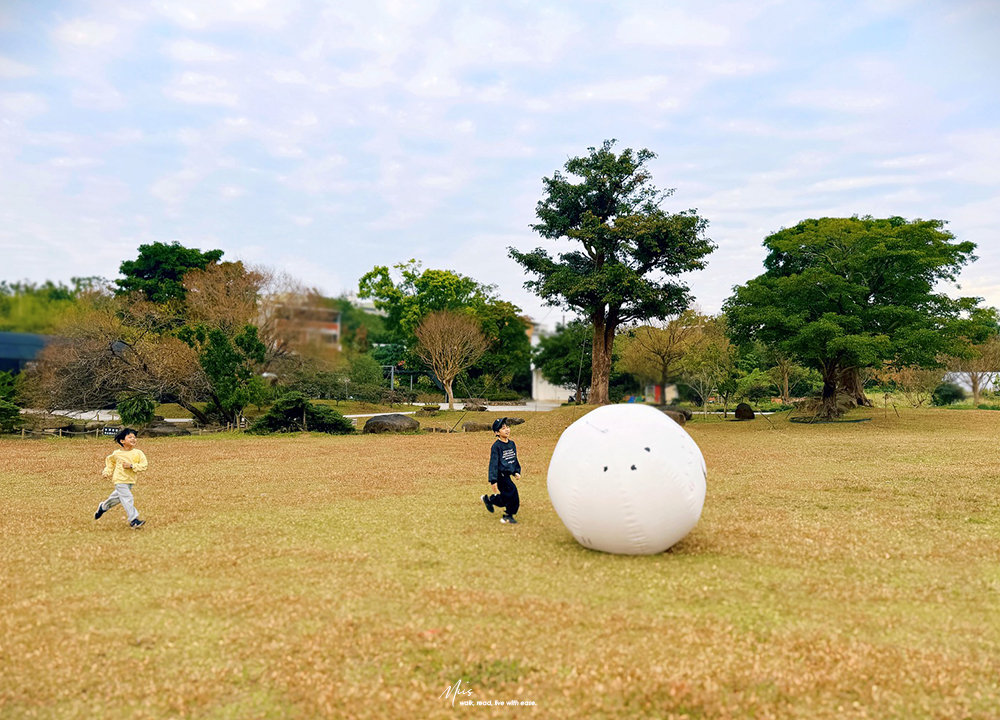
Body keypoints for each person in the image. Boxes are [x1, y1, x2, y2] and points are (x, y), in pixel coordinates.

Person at [94, 427, 149, 528]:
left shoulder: (138, 453)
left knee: (116, 498)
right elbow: (110, 463)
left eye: (134, 437)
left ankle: (103, 507)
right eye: (130, 437)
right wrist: (107, 472)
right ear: (122, 441)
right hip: (119, 480)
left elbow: (144, 466)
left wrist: (132, 466)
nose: (133, 439)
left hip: (130, 481)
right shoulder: (117, 454)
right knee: (127, 498)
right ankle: (134, 520)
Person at [482, 417, 521, 524]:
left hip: (507, 475)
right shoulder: (496, 446)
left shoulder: (511, 444)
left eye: (507, 427)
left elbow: (513, 459)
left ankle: (489, 500)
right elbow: (493, 464)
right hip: (500, 476)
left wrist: (516, 471)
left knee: (504, 498)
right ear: (496, 432)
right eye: (503, 428)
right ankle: (508, 516)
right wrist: (493, 480)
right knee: (513, 493)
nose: (507, 430)